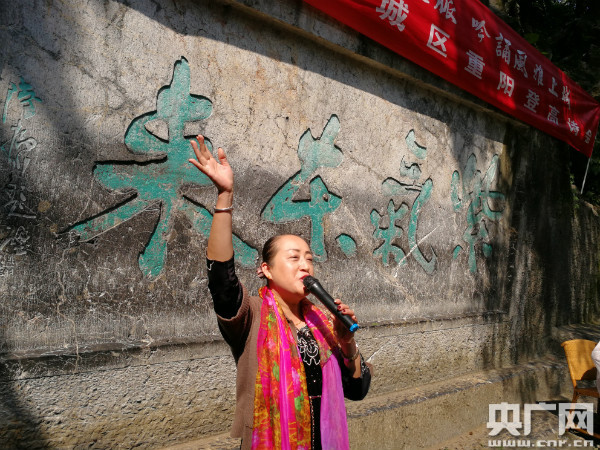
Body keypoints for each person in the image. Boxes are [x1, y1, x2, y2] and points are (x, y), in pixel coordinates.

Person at [189, 135, 372, 450]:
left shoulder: (324, 321)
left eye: (309, 259)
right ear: (267, 270)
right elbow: (221, 280)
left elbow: (357, 390)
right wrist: (225, 196)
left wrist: (347, 343)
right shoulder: (252, 316)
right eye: (294, 258)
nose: (305, 265)